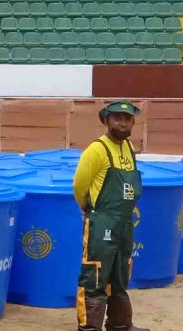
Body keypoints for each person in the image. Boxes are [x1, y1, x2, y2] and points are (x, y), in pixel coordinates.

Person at [73, 100, 150, 331]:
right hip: (102, 222)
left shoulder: (128, 149)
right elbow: (79, 186)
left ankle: (120, 325)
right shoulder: (97, 149)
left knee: (120, 275)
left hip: (125, 224)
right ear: (106, 121)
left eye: (127, 119)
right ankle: (89, 327)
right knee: (94, 275)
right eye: (117, 118)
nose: (123, 123)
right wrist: (91, 211)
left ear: (133, 122)